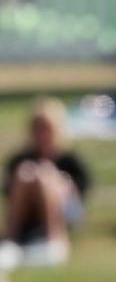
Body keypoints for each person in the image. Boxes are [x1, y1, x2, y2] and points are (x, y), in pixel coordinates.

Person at [1, 97, 91, 268]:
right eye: (37, 128)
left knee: (46, 175)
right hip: (28, 213)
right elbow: (8, 192)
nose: (42, 134)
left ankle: (54, 241)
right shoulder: (19, 160)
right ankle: (11, 241)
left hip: (64, 213)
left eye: (46, 128)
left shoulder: (70, 161)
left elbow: (79, 197)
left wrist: (54, 179)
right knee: (24, 172)